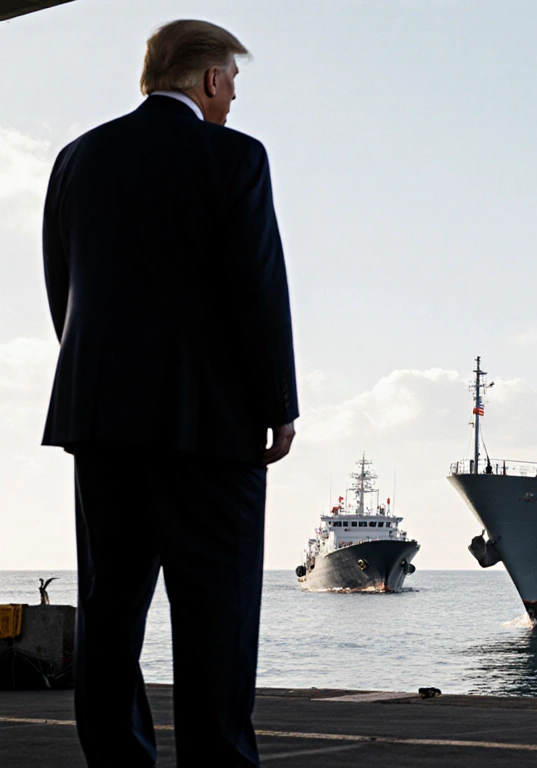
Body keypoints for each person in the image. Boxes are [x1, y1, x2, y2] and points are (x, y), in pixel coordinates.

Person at [41, 20, 297, 768]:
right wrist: (276, 404)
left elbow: (66, 289)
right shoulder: (235, 156)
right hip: (212, 428)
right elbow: (258, 289)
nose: (235, 95)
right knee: (216, 620)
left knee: (111, 615)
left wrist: (101, 381)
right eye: (233, 80)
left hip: (102, 419)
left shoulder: (76, 158)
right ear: (209, 79)